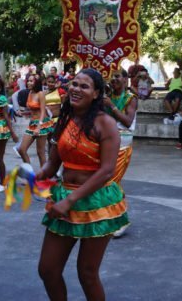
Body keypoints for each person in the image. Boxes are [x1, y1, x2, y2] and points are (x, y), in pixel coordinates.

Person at [36, 69, 128, 300]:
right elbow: (53, 163)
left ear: (97, 93)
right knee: (48, 269)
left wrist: (70, 200)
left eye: (84, 86)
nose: (76, 89)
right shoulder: (64, 120)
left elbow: (107, 170)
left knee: (87, 273)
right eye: (74, 84)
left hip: (96, 202)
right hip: (65, 197)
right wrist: (35, 176)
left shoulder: (105, 123)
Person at [103, 69, 138, 238]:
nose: (113, 79)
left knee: (112, 182)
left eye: (117, 76)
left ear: (126, 79)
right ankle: (113, 216)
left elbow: (127, 121)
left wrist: (110, 105)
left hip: (122, 145)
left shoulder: (131, 99)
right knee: (108, 182)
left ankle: (121, 220)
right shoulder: (107, 96)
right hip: (106, 144)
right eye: (112, 76)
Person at [16, 74, 49, 166]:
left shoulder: (40, 94)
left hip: (41, 124)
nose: (29, 83)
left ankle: (44, 177)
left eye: (31, 81)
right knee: (21, 149)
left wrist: (39, 127)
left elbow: (43, 111)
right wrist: (22, 113)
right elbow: (32, 111)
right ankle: (30, 174)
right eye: (28, 80)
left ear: (36, 83)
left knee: (40, 152)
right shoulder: (30, 93)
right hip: (32, 123)